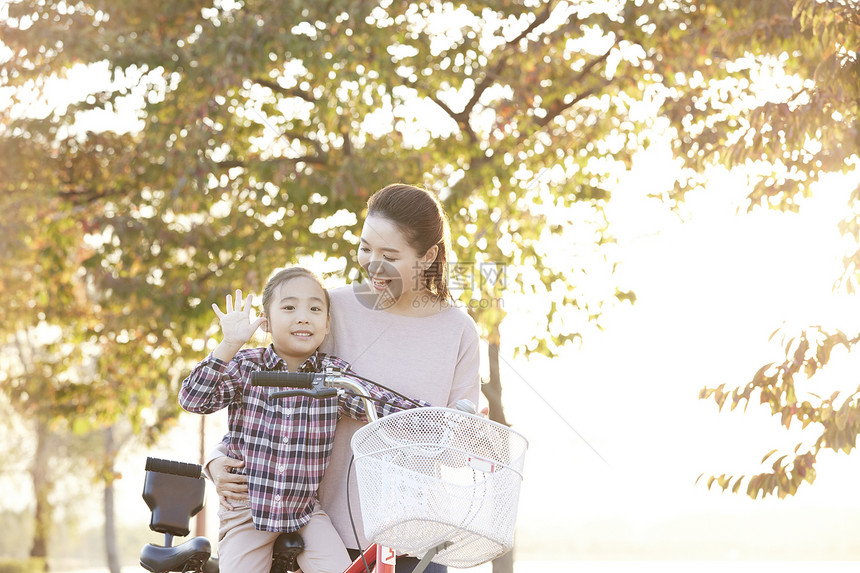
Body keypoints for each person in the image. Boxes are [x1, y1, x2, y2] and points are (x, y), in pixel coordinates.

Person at [207, 184, 482, 573]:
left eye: (390, 255)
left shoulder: (458, 330)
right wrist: (219, 459)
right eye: (366, 247)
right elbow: (270, 390)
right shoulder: (329, 308)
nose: (372, 264)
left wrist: (470, 432)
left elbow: (459, 441)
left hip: (415, 539)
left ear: (429, 255)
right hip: (323, 535)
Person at [179, 266, 430, 573]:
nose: (302, 316)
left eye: (314, 308)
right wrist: (229, 345)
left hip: (304, 508)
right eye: (289, 307)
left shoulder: (332, 376)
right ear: (267, 321)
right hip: (248, 507)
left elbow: (378, 401)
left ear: (326, 324)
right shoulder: (246, 366)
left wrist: (438, 419)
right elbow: (194, 399)